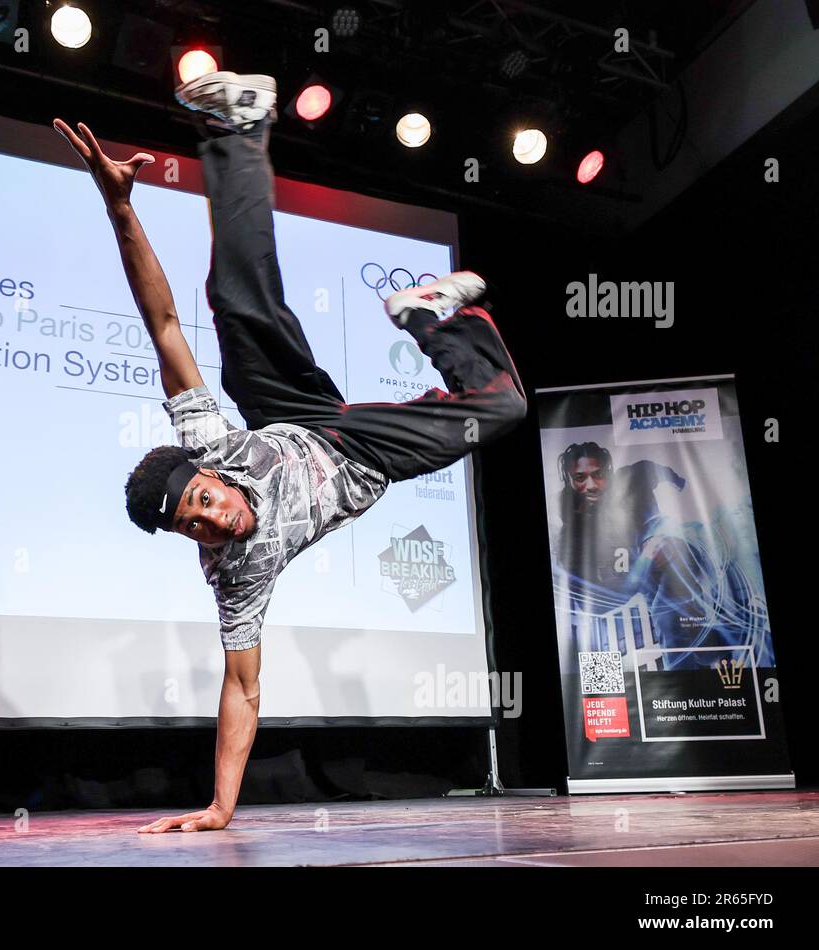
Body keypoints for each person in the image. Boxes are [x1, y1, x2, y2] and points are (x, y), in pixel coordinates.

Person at [53, 71, 527, 833]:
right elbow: (242, 688)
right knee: (501, 408)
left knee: (235, 300)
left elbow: (164, 322)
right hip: (365, 458)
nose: (211, 519)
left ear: (207, 473)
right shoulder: (234, 575)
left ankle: (238, 128)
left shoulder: (212, 445)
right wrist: (220, 806)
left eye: (202, 499)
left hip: (289, 413)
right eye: (193, 527)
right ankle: (434, 316)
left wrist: (119, 209)